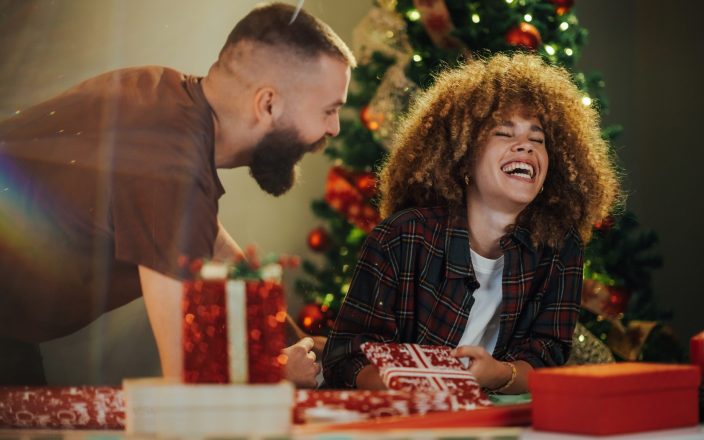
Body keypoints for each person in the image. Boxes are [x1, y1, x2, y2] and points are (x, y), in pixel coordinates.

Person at [0, 2, 354, 388]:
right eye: (328, 110)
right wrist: (276, 371)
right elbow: (187, 375)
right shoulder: (170, 170)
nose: (334, 128)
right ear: (268, 103)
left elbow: (220, 253)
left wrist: (296, 344)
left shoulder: (169, 102)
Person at [322, 53, 620, 393]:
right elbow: (345, 358)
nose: (524, 146)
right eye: (504, 134)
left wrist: (498, 374)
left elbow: (545, 357)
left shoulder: (560, 246)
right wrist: (415, 387)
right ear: (463, 158)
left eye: (537, 139)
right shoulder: (402, 237)